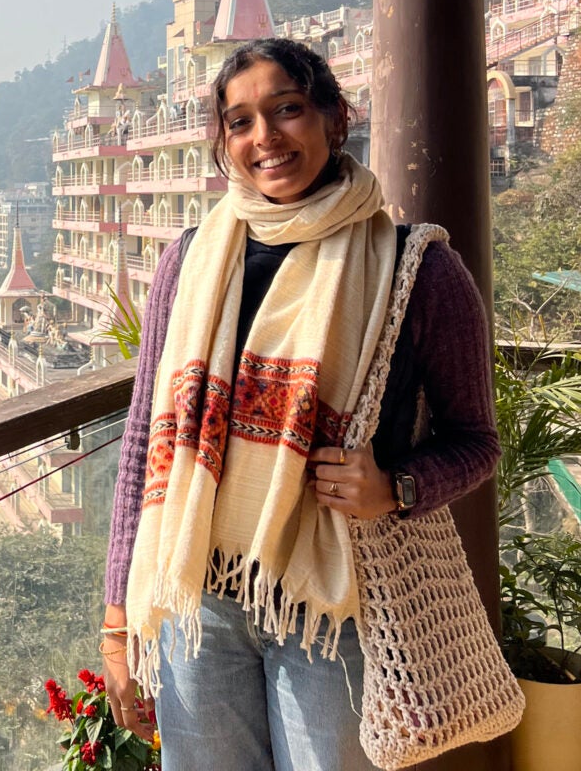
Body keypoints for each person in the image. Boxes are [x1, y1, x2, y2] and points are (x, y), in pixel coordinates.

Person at [101, 38, 500, 771]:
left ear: (333, 117)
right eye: (241, 122)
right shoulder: (190, 261)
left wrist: (398, 487)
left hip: (334, 606)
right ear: (223, 143)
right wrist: (117, 617)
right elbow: (141, 443)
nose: (266, 138)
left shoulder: (417, 268)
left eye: (287, 109)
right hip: (197, 598)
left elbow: (477, 440)